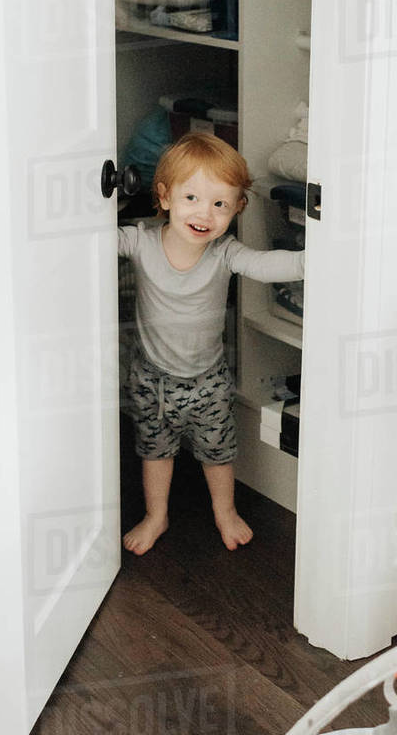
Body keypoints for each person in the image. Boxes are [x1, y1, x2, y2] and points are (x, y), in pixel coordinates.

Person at [117, 131, 305, 555]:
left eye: (220, 204)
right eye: (192, 199)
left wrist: (308, 260)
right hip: (153, 377)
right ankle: (156, 515)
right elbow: (91, 242)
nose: (205, 213)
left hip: (209, 378)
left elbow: (263, 264)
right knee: (154, 450)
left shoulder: (225, 252)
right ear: (164, 197)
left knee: (217, 453)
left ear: (237, 208)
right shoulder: (141, 242)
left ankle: (225, 512)